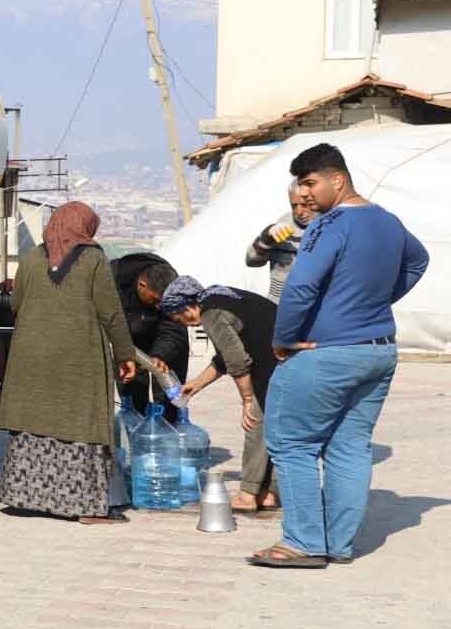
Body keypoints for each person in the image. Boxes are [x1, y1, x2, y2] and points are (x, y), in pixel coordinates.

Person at [253, 143, 428, 568]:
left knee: (291, 443)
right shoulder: (387, 221)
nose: (305, 193)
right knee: (349, 446)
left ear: (338, 179)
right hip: (379, 350)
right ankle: (339, 545)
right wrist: (373, 302)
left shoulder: (328, 225)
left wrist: (284, 337)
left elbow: (299, 287)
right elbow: (418, 261)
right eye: (300, 185)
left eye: (311, 183)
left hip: (326, 353)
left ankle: (303, 543)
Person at [0, 201, 137, 525]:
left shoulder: (31, 258)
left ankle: (24, 497)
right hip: (78, 357)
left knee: (33, 420)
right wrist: (125, 354)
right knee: (80, 423)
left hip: (30, 356)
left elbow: (16, 303)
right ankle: (86, 507)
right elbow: (110, 311)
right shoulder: (94, 259)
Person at [159, 276, 280, 512]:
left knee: (255, 423)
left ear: (186, 306)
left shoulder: (210, 313)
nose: (184, 324)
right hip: (284, 361)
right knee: (273, 429)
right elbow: (225, 356)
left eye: (178, 318)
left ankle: (247, 494)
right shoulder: (221, 297)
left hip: (273, 367)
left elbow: (236, 360)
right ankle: (267, 493)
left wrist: (246, 399)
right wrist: (196, 384)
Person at [110, 252, 189, 422]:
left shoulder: (171, 285)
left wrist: (161, 355)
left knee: (169, 401)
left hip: (165, 342)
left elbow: (174, 327)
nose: (158, 306)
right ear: (141, 284)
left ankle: (166, 431)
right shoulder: (110, 280)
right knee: (133, 399)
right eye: (154, 300)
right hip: (128, 342)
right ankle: (136, 434)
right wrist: (124, 351)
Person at [246, 179, 317, 302]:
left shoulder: (331, 227)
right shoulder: (283, 225)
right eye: (294, 205)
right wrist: (265, 239)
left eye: (305, 205)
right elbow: (251, 261)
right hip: (277, 305)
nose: (299, 212)